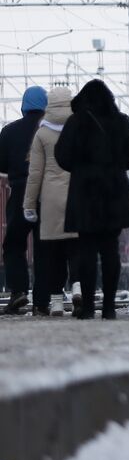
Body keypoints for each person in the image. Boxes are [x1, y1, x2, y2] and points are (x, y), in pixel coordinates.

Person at [54, 80, 129, 320]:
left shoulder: (76, 122)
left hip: (85, 195)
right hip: (113, 194)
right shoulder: (121, 122)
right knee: (111, 251)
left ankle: (89, 308)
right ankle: (109, 308)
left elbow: (62, 157)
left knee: (87, 252)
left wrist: (83, 167)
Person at [22, 87, 79, 316]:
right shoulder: (80, 127)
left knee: (54, 253)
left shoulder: (41, 133)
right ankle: (78, 287)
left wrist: (28, 204)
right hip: (77, 196)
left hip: (51, 200)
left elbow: (35, 173)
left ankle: (56, 301)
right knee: (77, 249)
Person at [1, 86, 47, 313]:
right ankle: (43, 299)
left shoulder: (9, 131)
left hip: (20, 192)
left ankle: (18, 292)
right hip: (47, 195)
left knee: (14, 244)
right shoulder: (51, 131)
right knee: (44, 246)